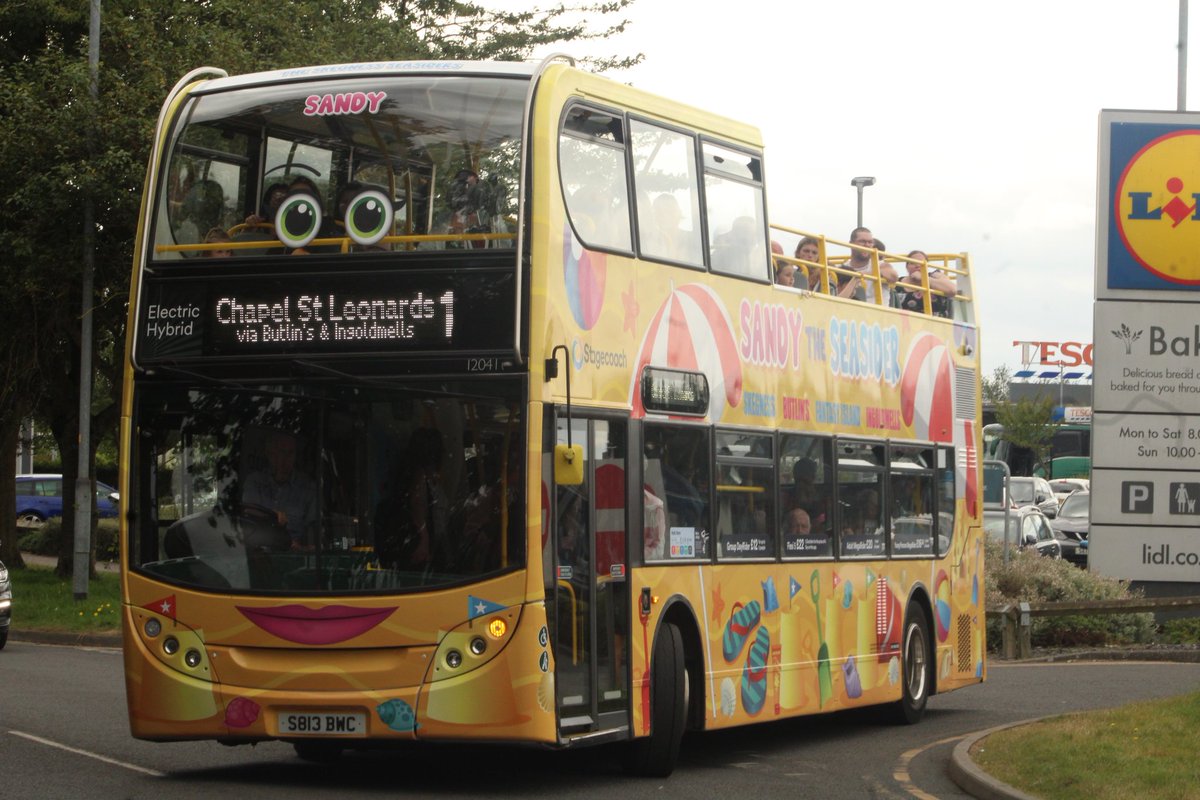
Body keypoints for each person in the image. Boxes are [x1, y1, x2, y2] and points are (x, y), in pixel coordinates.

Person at [241, 429, 317, 549]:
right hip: (259, 552)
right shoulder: (254, 482)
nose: (283, 459)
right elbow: (248, 516)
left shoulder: (308, 487)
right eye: (279, 453)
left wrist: (303, 547)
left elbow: (315, 532)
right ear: (269, 454)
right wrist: (271, 517)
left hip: (294, 554)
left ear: (295, 455)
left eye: (289, 453)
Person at [840, 227, 898, 302]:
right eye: (862, 241)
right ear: (851, 243)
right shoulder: (843, 267)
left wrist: (861, 275)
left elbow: (893, 276)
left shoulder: (880, 265)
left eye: (870, 242)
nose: (867, 245)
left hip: (876, 309)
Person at [893, 250, 957, 317]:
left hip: (934, 321)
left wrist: (924, 278)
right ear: (907, 266)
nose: (917, 265)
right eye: (912, 263)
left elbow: (952, 290)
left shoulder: (935, 276)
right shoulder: (897, 283)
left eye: (922, 262)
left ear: (927, 266)